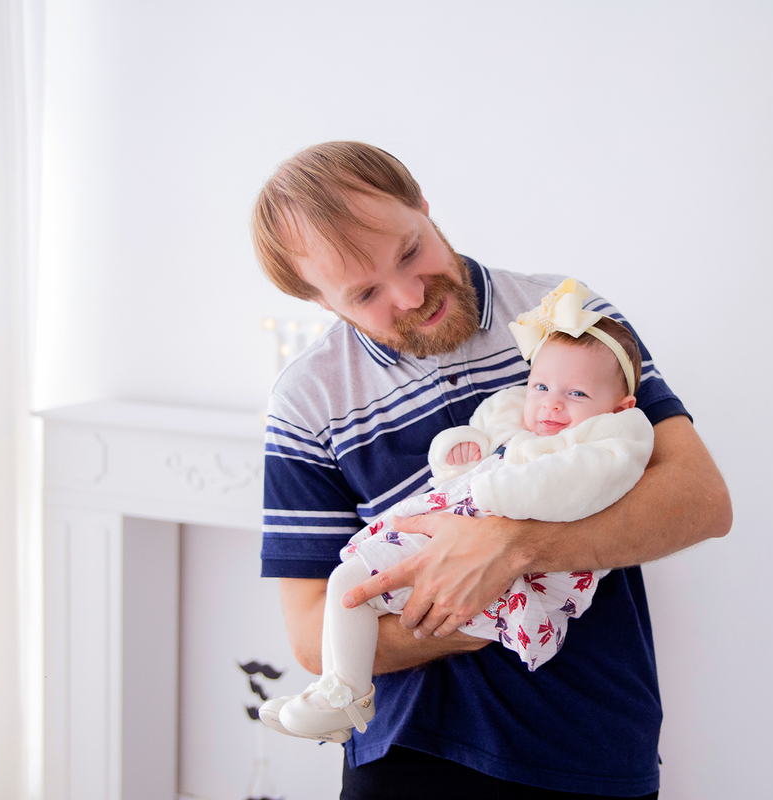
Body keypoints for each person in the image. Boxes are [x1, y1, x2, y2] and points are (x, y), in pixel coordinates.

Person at [252, 141, 731, 798]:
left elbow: (700, 500)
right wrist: (476, 608)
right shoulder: (308, 402)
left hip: (589, 737)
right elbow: (312, 633)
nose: (412, 294)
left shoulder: (566, 319)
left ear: (423, 205)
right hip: (408, 752)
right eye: (365, 293)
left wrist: (514, 550)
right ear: (323, 302)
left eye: (411, 250)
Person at [261, 286, 656, 741]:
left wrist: (488, 490)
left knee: (352, 583)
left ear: (620, 406)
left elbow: (569, 485)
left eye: (577, 393)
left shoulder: (605, 442)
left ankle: (343, 697)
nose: (551, 403)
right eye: (541, 386)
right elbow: (467, 457)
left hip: (530, 584)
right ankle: (338, 691)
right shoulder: (519, 419)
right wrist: (462, 453)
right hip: (454, 549)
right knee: (349, 582)